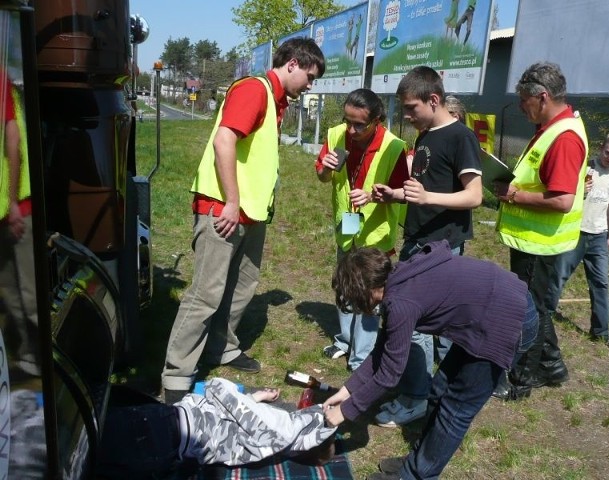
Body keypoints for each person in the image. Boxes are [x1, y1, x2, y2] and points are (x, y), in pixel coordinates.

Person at [161, 38, 325, 404]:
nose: (310, 85)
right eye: (310, 77)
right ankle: (176, 377)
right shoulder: (255, 90)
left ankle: (222, 348)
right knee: (205, 294)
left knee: (242, 286)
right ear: (294, 64)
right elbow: (224, 142)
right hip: (224, 210)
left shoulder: (276, 100)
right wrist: (231, 202)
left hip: (251, 214)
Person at [322, 242, 538, 480]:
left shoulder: (401, 303)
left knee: (455, 410)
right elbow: (381, 352)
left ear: (365, 290)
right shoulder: (398, 279)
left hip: (508, 323)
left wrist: (346, 411)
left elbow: (389, 374)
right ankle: (418, 461)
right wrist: (347, 391)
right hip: (489, 314)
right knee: (439, 391)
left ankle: (414, 476)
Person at [371, 65, 482, 426]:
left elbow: (474, 196)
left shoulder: (460, 137)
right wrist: (396, 194)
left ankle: (417, 397)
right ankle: (434, 392)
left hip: (441, 247)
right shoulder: (426, 135)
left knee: (415, 323)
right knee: (430, 324)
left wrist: (425, 196)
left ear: (434, 100)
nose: (406, 115)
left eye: (411, 108)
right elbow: (422, 188)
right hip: (418, 242)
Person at [493, 62, 588, 400]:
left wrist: (514, 195)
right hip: (536, 240)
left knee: (528, 311)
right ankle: (552, 365)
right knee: (539, 307)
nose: (521, 107)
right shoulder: (556, 127)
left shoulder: (563, 137)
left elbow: (562, 199)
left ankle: (522, 380)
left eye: (524, 100)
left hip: (540, 244)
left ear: (543, 96)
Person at [316, 88, 408, 371]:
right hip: (347, 225)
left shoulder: (394, 147)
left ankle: (361, 357)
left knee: (370, 295)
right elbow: (322, 176)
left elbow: (402, 192)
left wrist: (373, 195)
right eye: (347, 121)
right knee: (345, 283)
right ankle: (344, 341)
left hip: (375, 232)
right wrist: (326, 169)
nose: (352, 130)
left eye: (360, 124)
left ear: (377, 120)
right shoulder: (335, 135)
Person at [97, 377, 337, 478]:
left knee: (80, 441)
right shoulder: (275, 440)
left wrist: (321, 417)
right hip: (165, 437)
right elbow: (239, 420)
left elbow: (218, 388)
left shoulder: (281, 430)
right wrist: (254, 399)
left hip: (162, 430)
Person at [545, 130, 609, 347]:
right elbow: (565, 196)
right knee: (559, 276)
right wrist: (580, 188)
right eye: (608, 152)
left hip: (599, 236)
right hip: (575, 231)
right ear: (602, 146)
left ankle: (601, 331)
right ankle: (542, 319)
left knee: (601, 283)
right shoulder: (585, 167)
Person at [0, 71, 39, 377]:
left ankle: (44, 358)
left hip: (16, 208)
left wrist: (13, 202)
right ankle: (27, 354)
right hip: (4, 210)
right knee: (9, 289)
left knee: (29, 292)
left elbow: (12, 139)